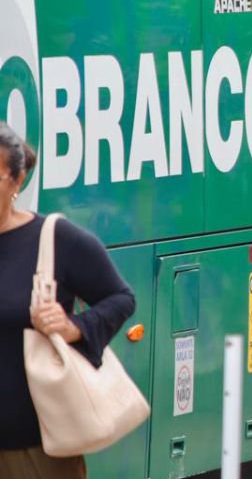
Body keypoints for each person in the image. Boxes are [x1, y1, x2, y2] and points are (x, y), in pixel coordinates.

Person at [0, 123, 136, 479]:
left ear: (17, 180)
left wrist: (74, 326)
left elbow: (120, 298)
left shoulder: (53, 239)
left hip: (34, 452)